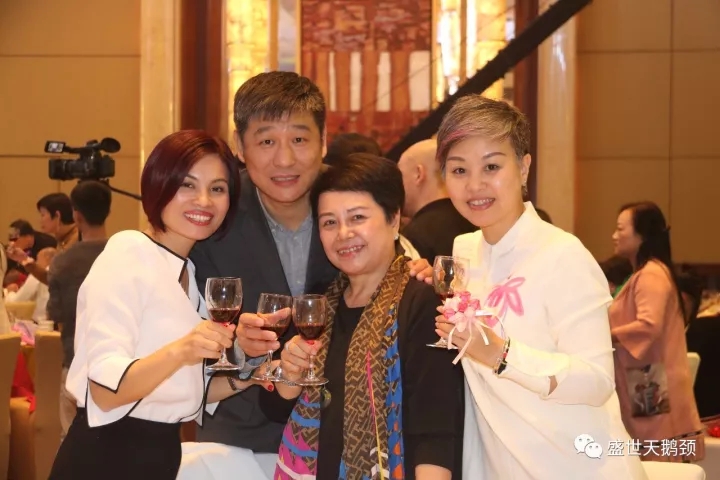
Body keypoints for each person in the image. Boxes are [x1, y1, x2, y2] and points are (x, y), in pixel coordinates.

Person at [181, 71, 433, 480]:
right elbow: (182, 342)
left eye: (299, 139)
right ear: (239, 146)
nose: (284, 160)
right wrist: (237, 346)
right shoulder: (214, 215)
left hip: (345, 444)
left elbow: (394, 275)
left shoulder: (347, 199)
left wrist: (414, 271)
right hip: (239, 445)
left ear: (324, 140)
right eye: (266, 141)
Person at [434, 95, 646, 479]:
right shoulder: (463, 252)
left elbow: (597, 380)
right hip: (501, 465)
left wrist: (502, 354)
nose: (475, 185)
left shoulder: (563, 255)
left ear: (524, 167)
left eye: (492, 166)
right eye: (459, 169)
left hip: (578, 466)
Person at [49, 130, 243, 479]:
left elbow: (181, 390)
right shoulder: (129, 251)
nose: (204, 200)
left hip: (159, 454)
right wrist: (182, 350)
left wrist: (251, 375)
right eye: (187, 185)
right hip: (106, 457)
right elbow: (106, 391)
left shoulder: (188, 272)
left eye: (217, 188)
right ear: (159, 184)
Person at [262, 154, 463, 480]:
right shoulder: (319, 304)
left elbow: (435, 430)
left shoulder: (422, 303)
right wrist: (290, 371)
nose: (343, 233)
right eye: (329, 222)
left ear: (394, 220)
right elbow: (274, 408)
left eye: (357, 217)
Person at [609, 201, 704, 462]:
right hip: (646, 379)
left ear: (642, 235)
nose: (614, 236)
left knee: (657, 461)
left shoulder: (651, 275)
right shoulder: (645, 273)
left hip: (651, 381)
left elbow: (648, 325)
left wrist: (606, 334)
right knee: (649, 458)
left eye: (620, 229)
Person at [46, 180, 112, 440]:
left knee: (71, 439)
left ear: (76, 215)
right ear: (108, 210)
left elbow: (56, 315)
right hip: (120, 368)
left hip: (76, 363)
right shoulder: (127, 255)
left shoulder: (62, 262)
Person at [397, 138, 476, 260]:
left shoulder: (414, 236)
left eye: (399, 175)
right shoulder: (477, 219)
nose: (396, 184)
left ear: (418, 174)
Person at [6, 193, 77, 285]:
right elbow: (51, 279)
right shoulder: (63, 239)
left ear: (57, 216)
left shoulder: (76, 241)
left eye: (43, 215)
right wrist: (24, 259)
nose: (40, 220)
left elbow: (57, 282)